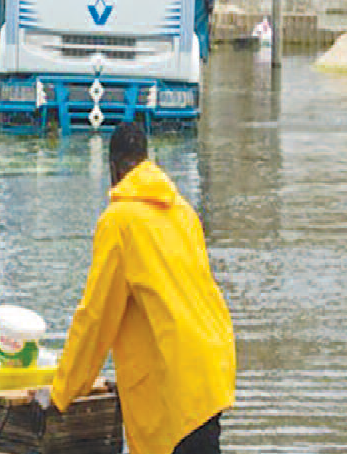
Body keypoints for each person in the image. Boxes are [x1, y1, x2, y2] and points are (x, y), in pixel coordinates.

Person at [46, 122, 235, 454]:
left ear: (113, 167)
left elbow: (95, 319)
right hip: (211, 370)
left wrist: (61, 393)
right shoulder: (184, 213)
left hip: (174, 384)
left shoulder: (119, 221)